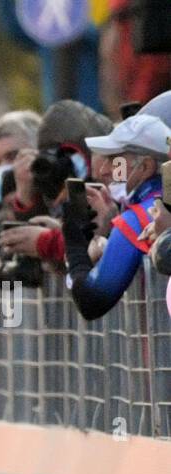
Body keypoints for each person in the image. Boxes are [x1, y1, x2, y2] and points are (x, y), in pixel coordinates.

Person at [64, 113, 170, 321]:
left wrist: (75, 247)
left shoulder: (136, 218)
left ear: (146, 166)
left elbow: (91, 300)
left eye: (115, 160)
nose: (104, 170)